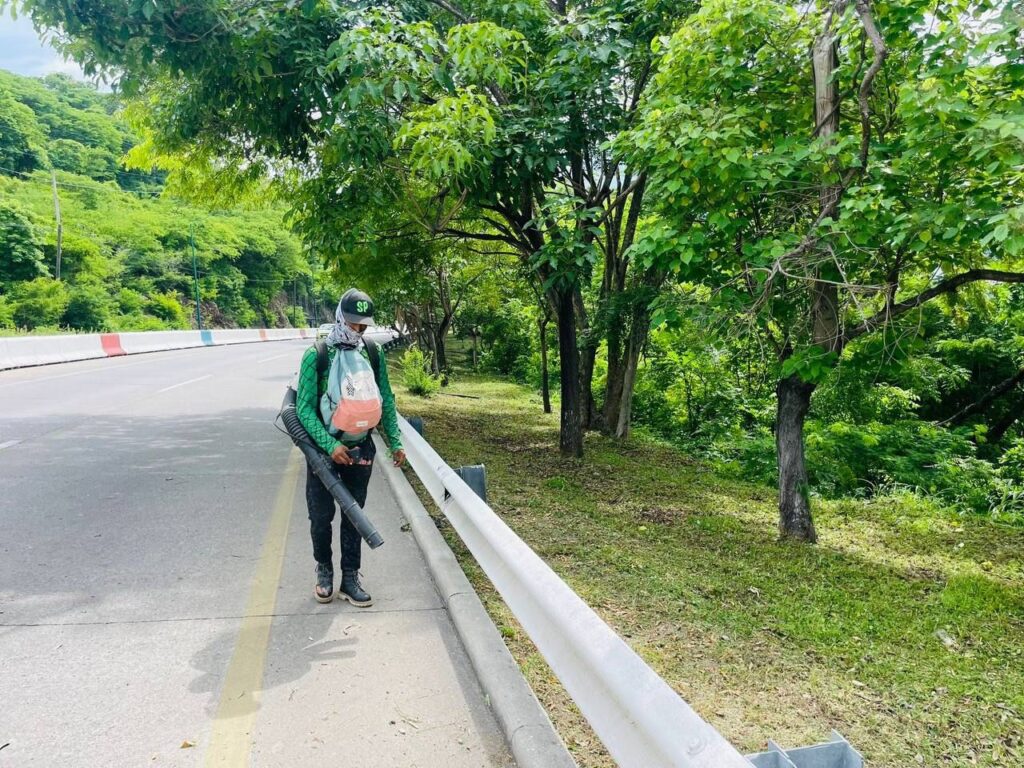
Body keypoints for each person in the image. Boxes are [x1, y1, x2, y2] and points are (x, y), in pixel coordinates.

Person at [295, 288, 406, 606]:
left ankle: (350, 577)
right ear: (340, 317)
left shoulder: (372, 352)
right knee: (320, 517)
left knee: (354, 516)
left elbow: (385, 397)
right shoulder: (317, 356)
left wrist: (395, 441)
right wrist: (329, 445)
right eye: (353, 323)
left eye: (363, 325)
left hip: (360, 449)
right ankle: (324, 571)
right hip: (324, 453)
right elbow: (304, 410)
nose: (358, 330)